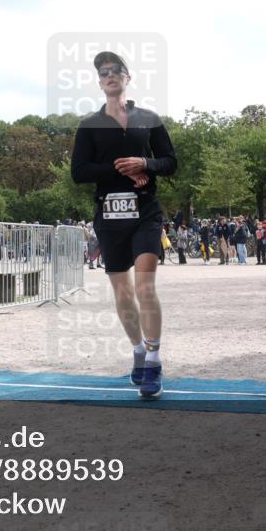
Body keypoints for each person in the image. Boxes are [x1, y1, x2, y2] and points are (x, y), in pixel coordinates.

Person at [71, 51, 177, 399]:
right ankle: (137, 349)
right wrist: (122, 168)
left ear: (128, 78)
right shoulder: (89, 125)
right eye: (103, 73)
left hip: (146, 211)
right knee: (123, 292)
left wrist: (145, 162)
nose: (110, 76)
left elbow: (170, 162)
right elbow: (79, 172)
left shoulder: (148, 118)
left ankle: (155, 360)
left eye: (116, 71)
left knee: (146, 287)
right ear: (100, 82)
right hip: (110, 215)